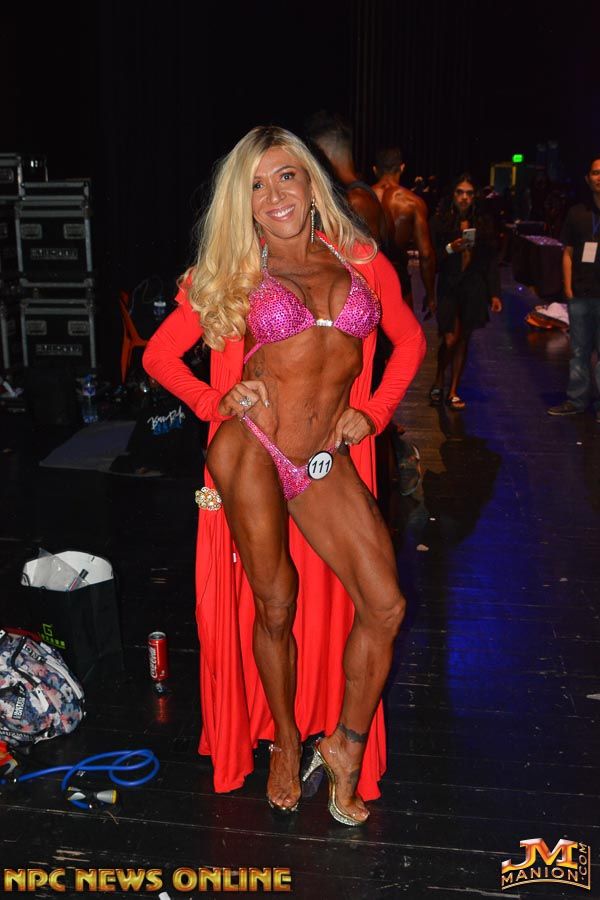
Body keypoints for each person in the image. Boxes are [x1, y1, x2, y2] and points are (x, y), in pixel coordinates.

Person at [143, 126, 426, 825]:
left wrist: (375, 414)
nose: (274, 195)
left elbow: (410, 340)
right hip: (253, 450)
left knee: (385, 605)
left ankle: (346, 744)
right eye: (257, 185)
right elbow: (159, 356)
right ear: (243, 202)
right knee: (276, 605)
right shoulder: (237, 270)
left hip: (322, 458)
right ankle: (285, 740)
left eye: (286, 176)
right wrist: (214, 401)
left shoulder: (358, 258)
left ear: (311, 183)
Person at [428, 173, 503, 409]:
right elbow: (431, 257)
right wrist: (451, 248)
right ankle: (439, 378)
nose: (464, 198)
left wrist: (494, 293)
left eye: (469, 193)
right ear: (452, 194)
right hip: (449, 284)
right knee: (449, 338)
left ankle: (453, 390)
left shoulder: (483, 223)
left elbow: (490, 261)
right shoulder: (440, 221)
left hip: (473, 285)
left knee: (463, 339)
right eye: (460, 192)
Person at [547, 157, 600, 422]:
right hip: (580, 293)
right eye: (596, 173)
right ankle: (577, 400)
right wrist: (568, 289)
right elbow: (567, 253)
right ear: (588, 178)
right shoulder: (577, 213)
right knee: (579, 351)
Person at [304, 111, 388, 246]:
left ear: (325, 153)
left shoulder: (356, 201)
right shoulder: (354, 196)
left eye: (314, 154)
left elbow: (369, 257)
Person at [371, 146, 436, 314]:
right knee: (402, 329)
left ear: (375, 170)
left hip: (367, 277)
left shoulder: (360, 199)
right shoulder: (412, 203)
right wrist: (430, 295)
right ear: (402, 168)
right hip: (397, 277)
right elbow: (426, 254)